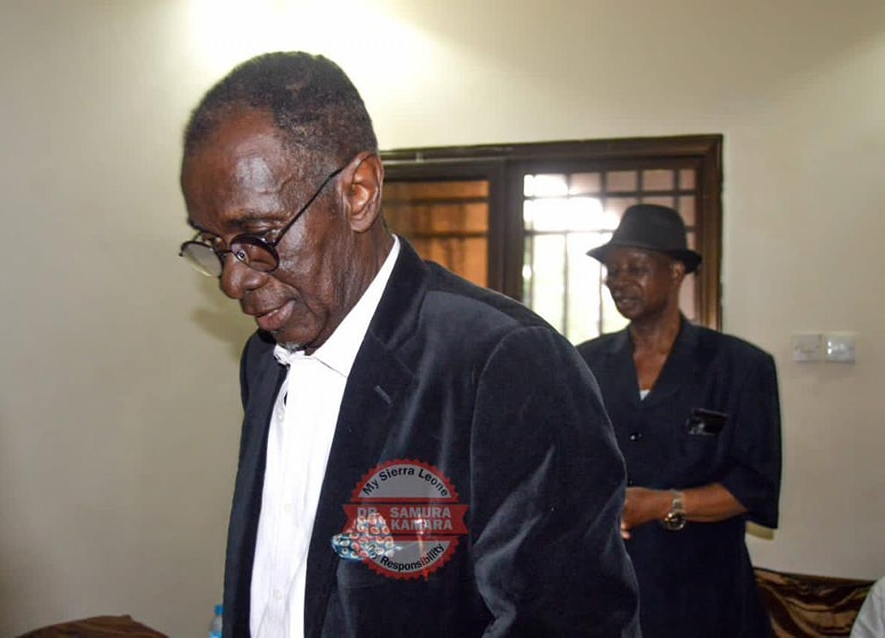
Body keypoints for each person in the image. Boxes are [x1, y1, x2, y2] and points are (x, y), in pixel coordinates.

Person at [178, 51, 640, 637]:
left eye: (259, 236)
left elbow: (569, 624)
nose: (232, 279)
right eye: (215, 245)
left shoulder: (501, 363)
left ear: (359, 192)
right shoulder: (265, 359)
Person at [576, 203, 782, 637]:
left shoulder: (739, 367)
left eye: (636, 268)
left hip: (705, 591)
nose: (619, 281)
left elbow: (754, 484)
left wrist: (662, 504)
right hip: (606, 587)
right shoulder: (584, 362)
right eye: (612, 270)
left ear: (675, 272)